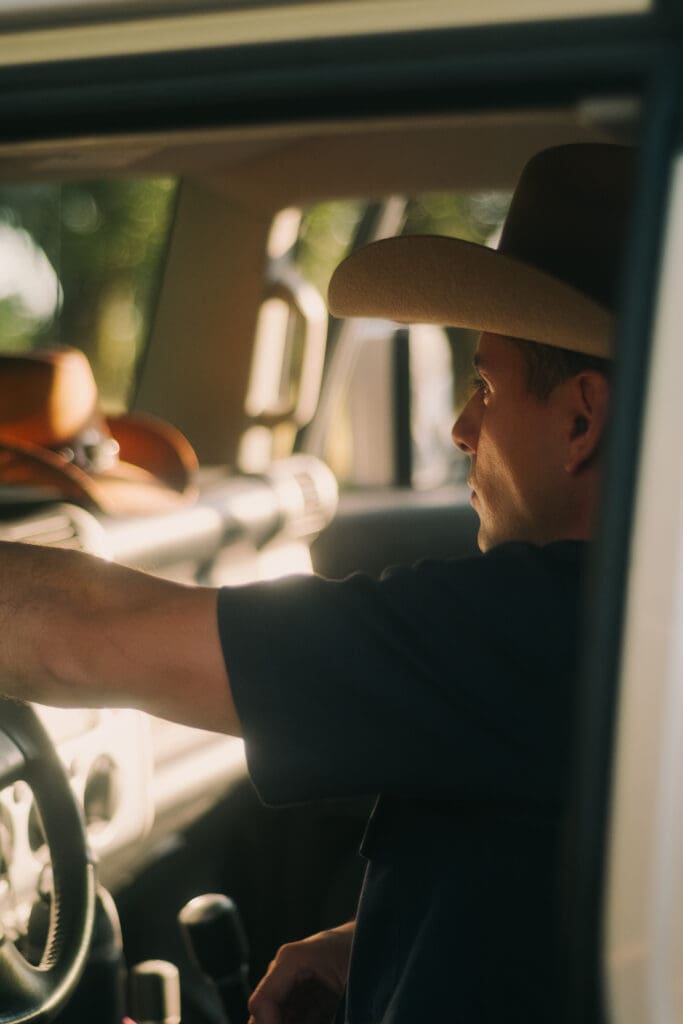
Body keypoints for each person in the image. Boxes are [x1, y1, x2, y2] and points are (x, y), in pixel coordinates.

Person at [0, 143, 633, 1023]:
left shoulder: (545, 627)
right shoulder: (625, 618)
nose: (461, 428)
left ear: (580, 419)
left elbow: (87, 639)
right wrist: (379, 939)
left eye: (485, 386)